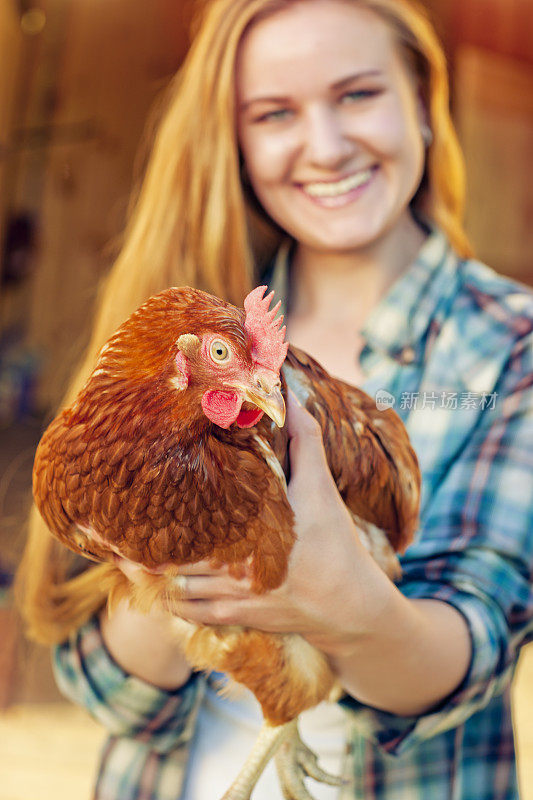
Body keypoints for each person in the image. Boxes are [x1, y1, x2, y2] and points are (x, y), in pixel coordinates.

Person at [16, 0, 533, 798]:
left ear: (423, 108)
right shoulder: (169, 341)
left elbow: (478, 650)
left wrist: (351, 607)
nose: (324, 146)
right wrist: (172, 552)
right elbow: (102, 686)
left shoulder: (509, 345)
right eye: (274, 112)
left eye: (358, 94)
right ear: (237, 144)